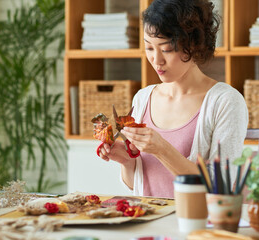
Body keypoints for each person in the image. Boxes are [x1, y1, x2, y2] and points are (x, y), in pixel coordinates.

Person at [97, 0, 248, 198]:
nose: (156, 60)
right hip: (146, 222)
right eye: (149, 48)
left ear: (193, 44)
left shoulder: (225, 102)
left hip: (196, 224)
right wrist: (126, 161)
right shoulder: (143, 98)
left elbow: (220, 185)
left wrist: (162, 149)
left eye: (166, 49)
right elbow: (138, 186)